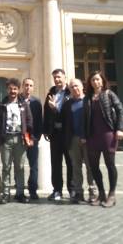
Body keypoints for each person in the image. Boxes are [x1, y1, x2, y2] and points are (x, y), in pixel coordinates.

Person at [82, 71, 123, 208]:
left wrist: (120, 128)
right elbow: (84, 118)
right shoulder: (87, 98)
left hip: (108, 134)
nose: (95, 82)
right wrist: (84, 135)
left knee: (110, 164)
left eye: (97, 79)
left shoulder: (109, 94)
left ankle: (112, 194)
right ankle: (101, 193)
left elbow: (120, 111)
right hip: (92, 136)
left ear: (102, 81)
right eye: (93, 80)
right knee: (93, 166)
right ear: (90, 83)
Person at [0, 77, 33, 204]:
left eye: (15, 89)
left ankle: (20, 193)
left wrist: (30, 137)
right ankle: (6, 193)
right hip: (6, 140)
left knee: (20, 167)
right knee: (6, 167)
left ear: (18, 90)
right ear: (7, 89)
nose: (13, 91)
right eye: (10, 89)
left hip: (20, 139)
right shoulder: (2, 105)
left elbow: (29, 122)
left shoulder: (24, 104)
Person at [61, 78, 95, 204]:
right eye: (72, 87)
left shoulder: (89, 101)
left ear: (82, 87)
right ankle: (78, 192)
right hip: (73, 139)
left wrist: (87, 136)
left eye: (76, 86)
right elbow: (64, 122)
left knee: (91, 167)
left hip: (89, 139)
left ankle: (93, 192)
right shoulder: (67, 104)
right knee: (76, 167)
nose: (74, 88)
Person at [43, 68, 72, 201]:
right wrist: (45, 130)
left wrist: (55, 109)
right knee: (55, 163)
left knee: (70, 162)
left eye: (59, 77)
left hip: (68, 133)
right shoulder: (51, 93)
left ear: (65, 77)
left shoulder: (70, 92)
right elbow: (46, 112)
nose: (57, 80)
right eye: (55, 77)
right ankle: (57, 190)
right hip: (54, 133)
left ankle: (72, 190)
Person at [21, 77, 43, 200]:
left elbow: (39, 120)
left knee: (34, 166)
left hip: (33, 138)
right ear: (22, 86)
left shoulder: (37, 102)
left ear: (33, 88)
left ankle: (33, 190)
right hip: (19, 138)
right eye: (26, 85)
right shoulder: (17, 100)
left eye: (30, 85)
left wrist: (37, 137)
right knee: (19, 165)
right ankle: (20, 189)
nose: (28, 88)